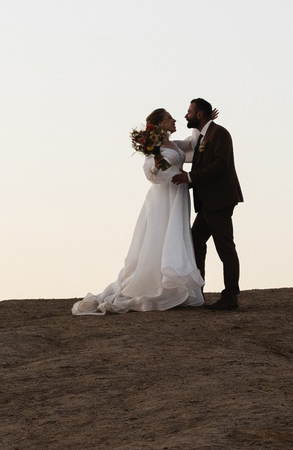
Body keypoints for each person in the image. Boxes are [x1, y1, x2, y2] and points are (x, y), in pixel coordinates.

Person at [70, 109, 208, 315]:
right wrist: (156, 166)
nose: (175, 120)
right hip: (163, 197)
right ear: (161, 124)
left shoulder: (174, 145)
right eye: (170, 118)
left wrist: (205, 122)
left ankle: (172, 284)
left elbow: (193, 143)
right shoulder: (155, 148)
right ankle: (156, 284)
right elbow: (151, 172)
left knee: (175, 235)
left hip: (178, 194)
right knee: (160, 236)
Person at [181, 98, 242, 311]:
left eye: (189, 112)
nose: (185, 115)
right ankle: (198, 292)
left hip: (220, 201)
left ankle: (231, 296)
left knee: (225, 249)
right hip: (208, 203)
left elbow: (220, 165)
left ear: (199, 114)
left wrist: (189, 178)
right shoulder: (203, 136)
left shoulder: (220, 134)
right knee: (195, 242)